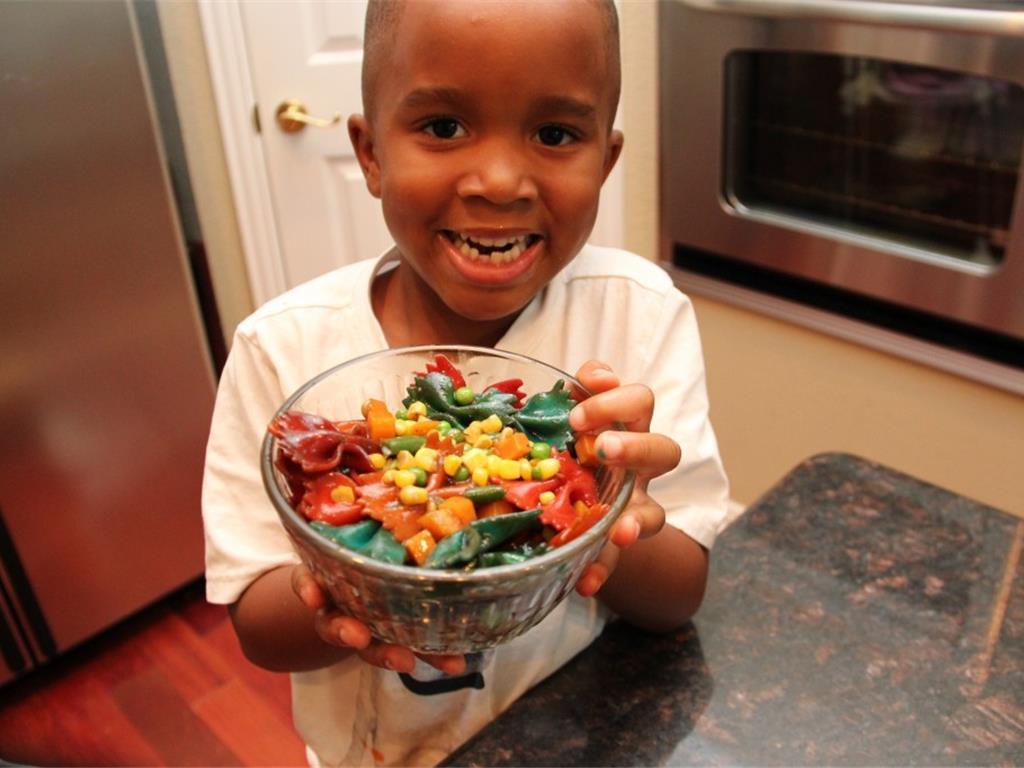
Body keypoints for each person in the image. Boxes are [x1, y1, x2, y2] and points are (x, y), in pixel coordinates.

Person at [201, 0, 730, 765]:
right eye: (444, 127)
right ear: (370, 151)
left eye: (554, 135)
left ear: (605, 162)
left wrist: (614, 505)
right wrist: (347, 591)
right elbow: (257, 624)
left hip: (591, 737)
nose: (499, 181)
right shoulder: (281, 348)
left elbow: (678, 598)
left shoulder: (636, 317)